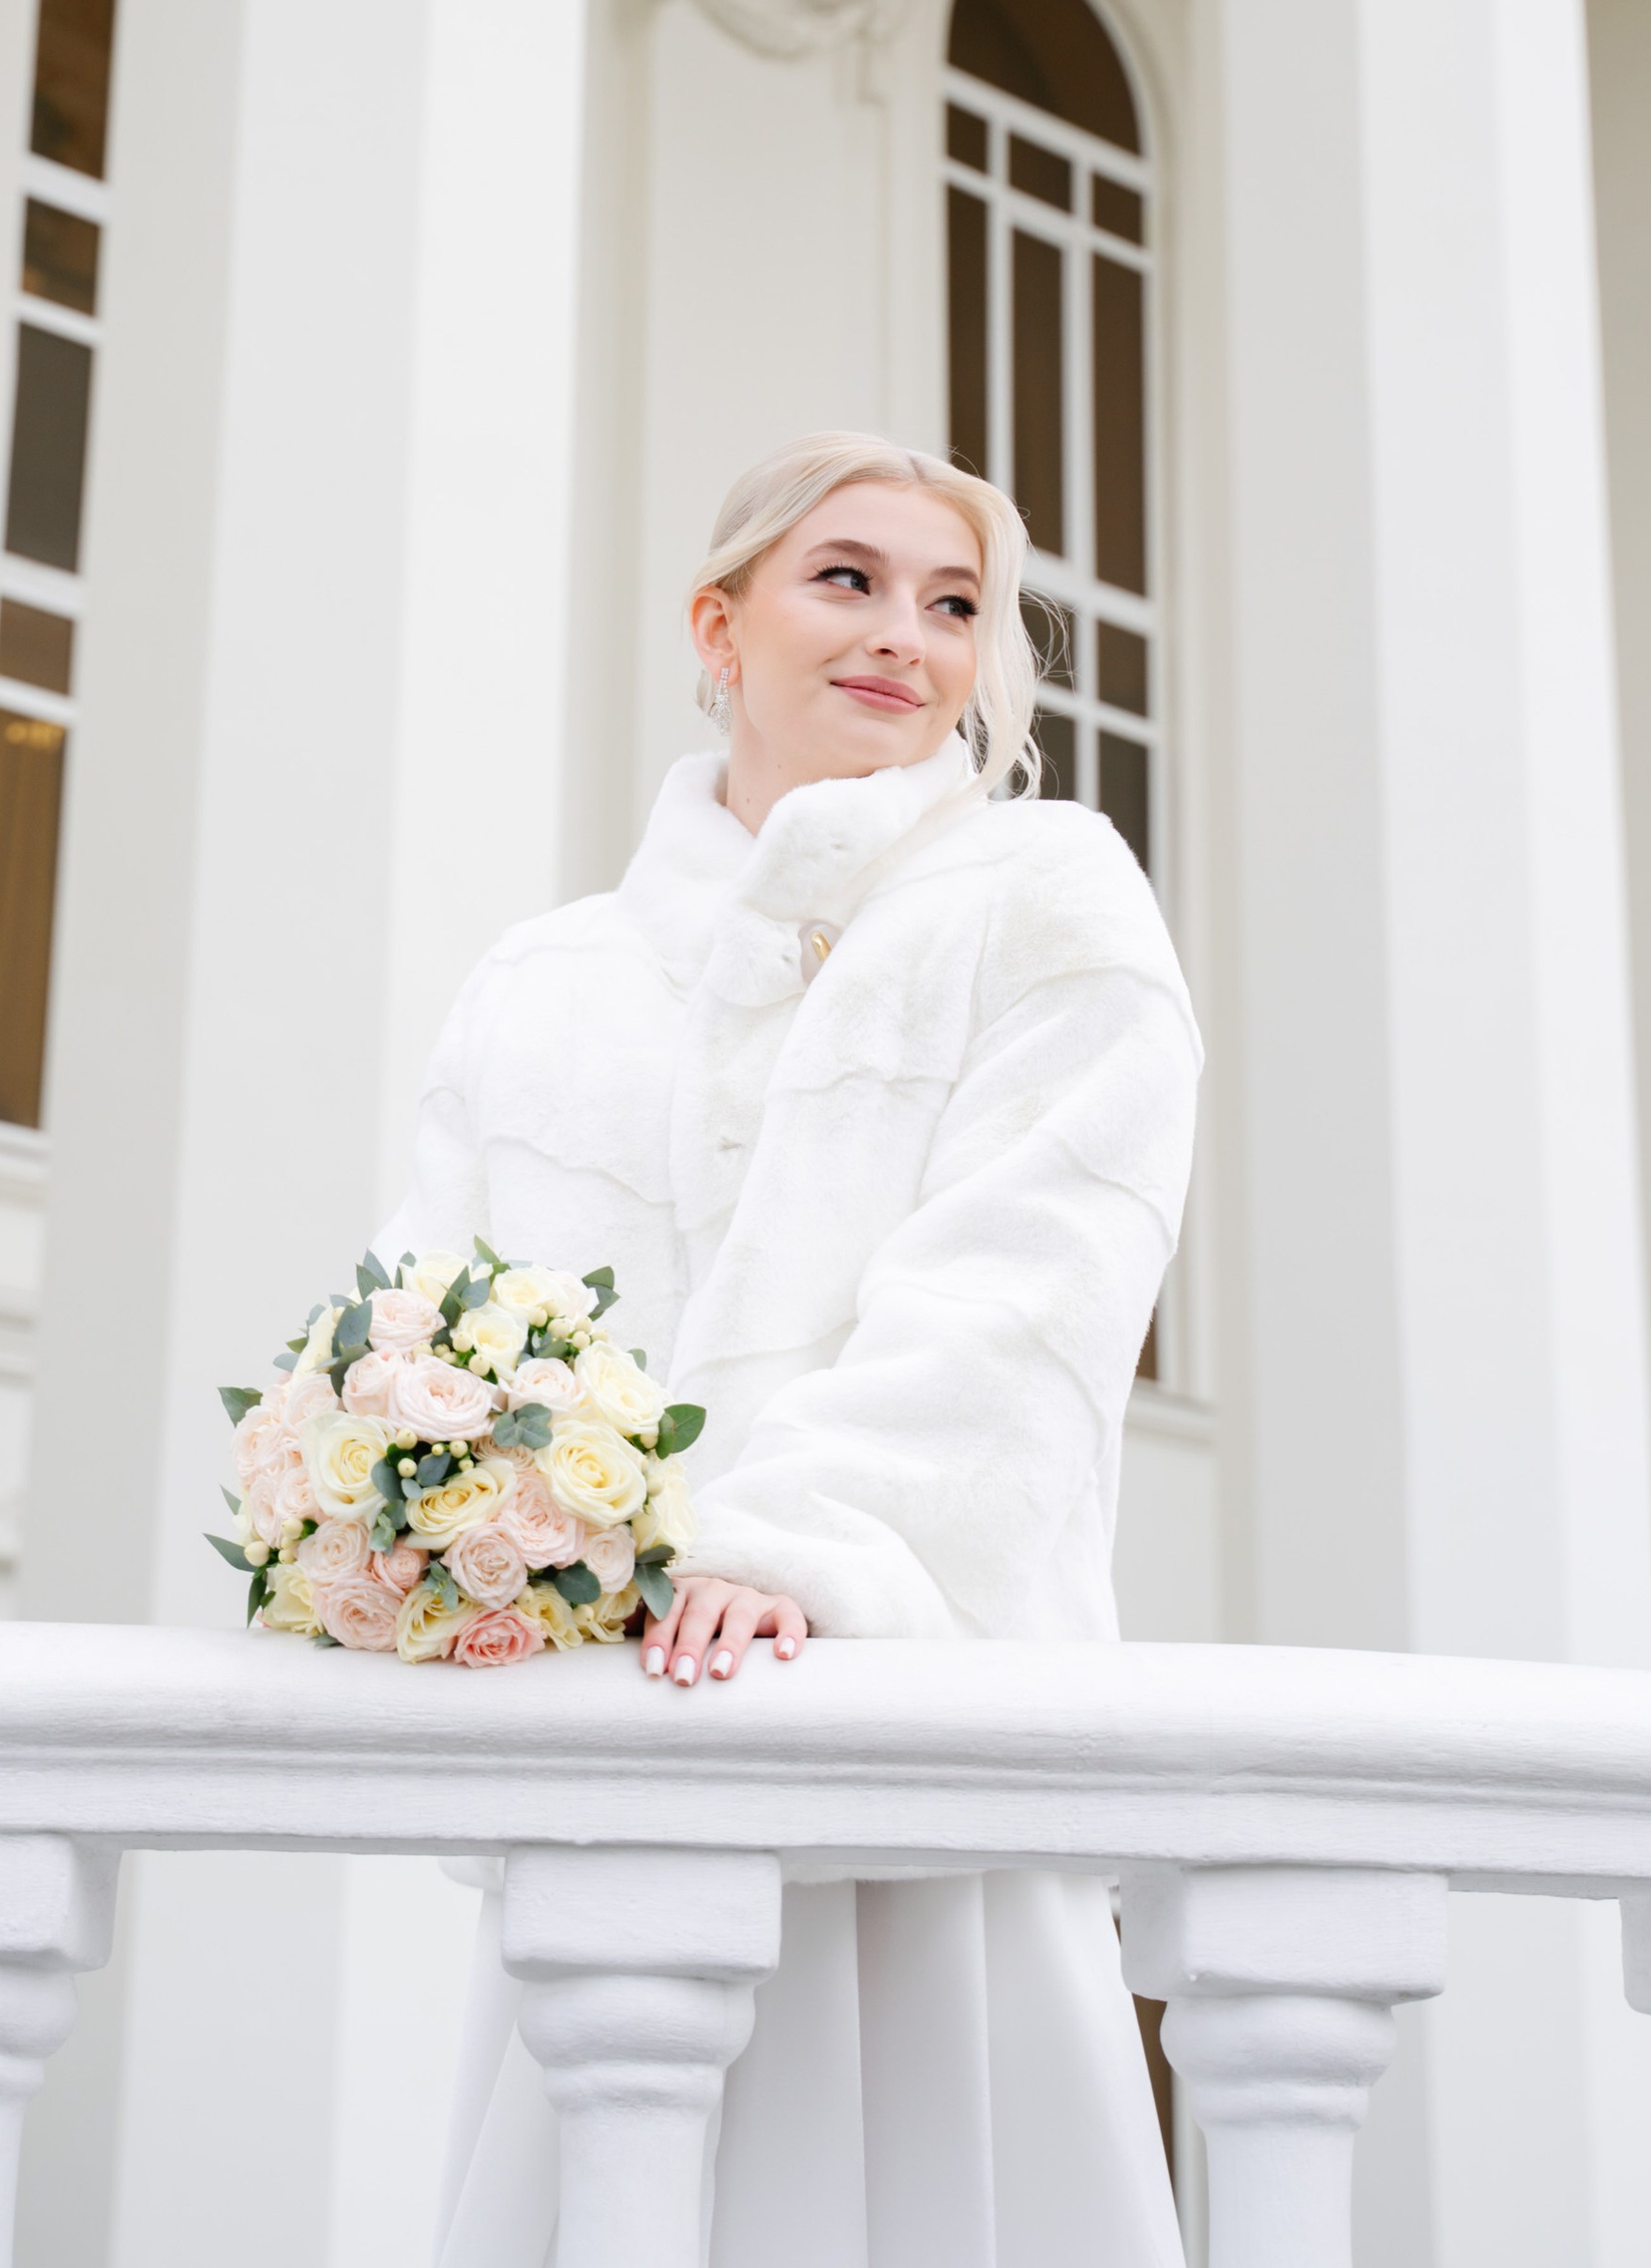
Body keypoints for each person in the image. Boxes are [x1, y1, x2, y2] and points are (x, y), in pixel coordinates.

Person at [399, 431, 1201, 2268]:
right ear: (720, 622)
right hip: (608, 1756)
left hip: (906, 1709)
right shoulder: (545, 982)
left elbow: (1034, 1282)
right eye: (848, 579)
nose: (905, 636)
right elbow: (430, 1308)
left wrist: (795, 1546)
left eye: (955, 605)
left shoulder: (1050, 901)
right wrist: (428, 1510)